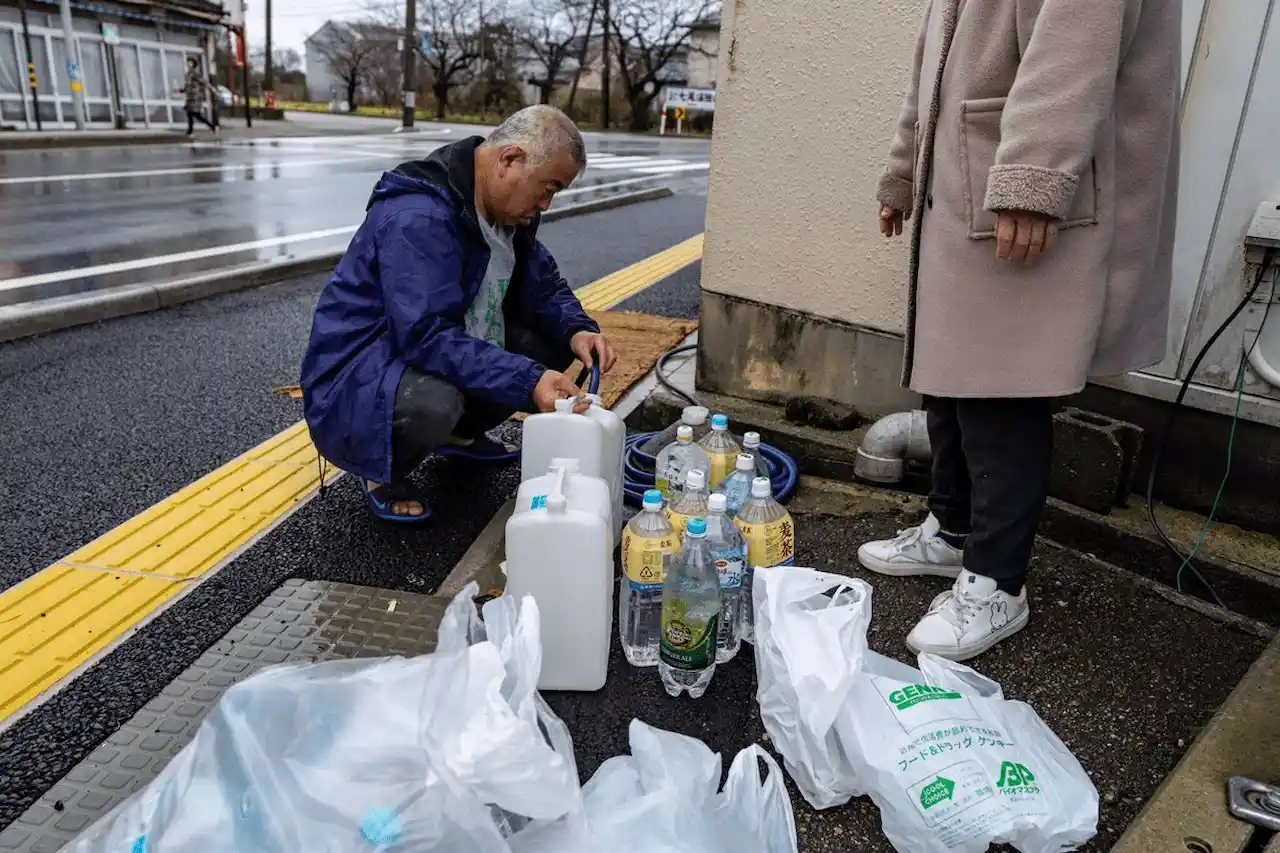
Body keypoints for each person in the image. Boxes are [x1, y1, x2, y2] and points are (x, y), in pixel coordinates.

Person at [860, 0, 1180, 660]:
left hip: (1019, 175)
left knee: (1002, 389)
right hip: (967, 174)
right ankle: (952, 530)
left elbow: (1075, 41)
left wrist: (1036, 176)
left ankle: (999, 582)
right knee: (949, 373)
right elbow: (935, 53)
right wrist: (902, 170)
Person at [299, 106, 617, 523]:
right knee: (434, 402)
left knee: (549, 344)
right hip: (357, 379)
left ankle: (460, 434)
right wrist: (528, 378)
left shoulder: (505, 214)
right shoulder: (419, 217)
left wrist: (578, 330)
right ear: (510, 160)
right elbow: (424, 337)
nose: (546, 204)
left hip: (420, 354)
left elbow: (541, 286)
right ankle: (380, 469)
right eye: (547, 188)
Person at [177, 57, 218, 137]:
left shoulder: (196, 74)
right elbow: (187, 87)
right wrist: (180, 90)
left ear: (193, 64)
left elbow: (205, 82)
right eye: (188, 62)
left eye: (190, 62)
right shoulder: (188, 74)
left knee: (195, 114)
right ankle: (191, 131)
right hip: (190, 97)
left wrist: (213, 89)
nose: (189, 64)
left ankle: (211, 126)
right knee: (190, 114)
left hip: (195, 97)